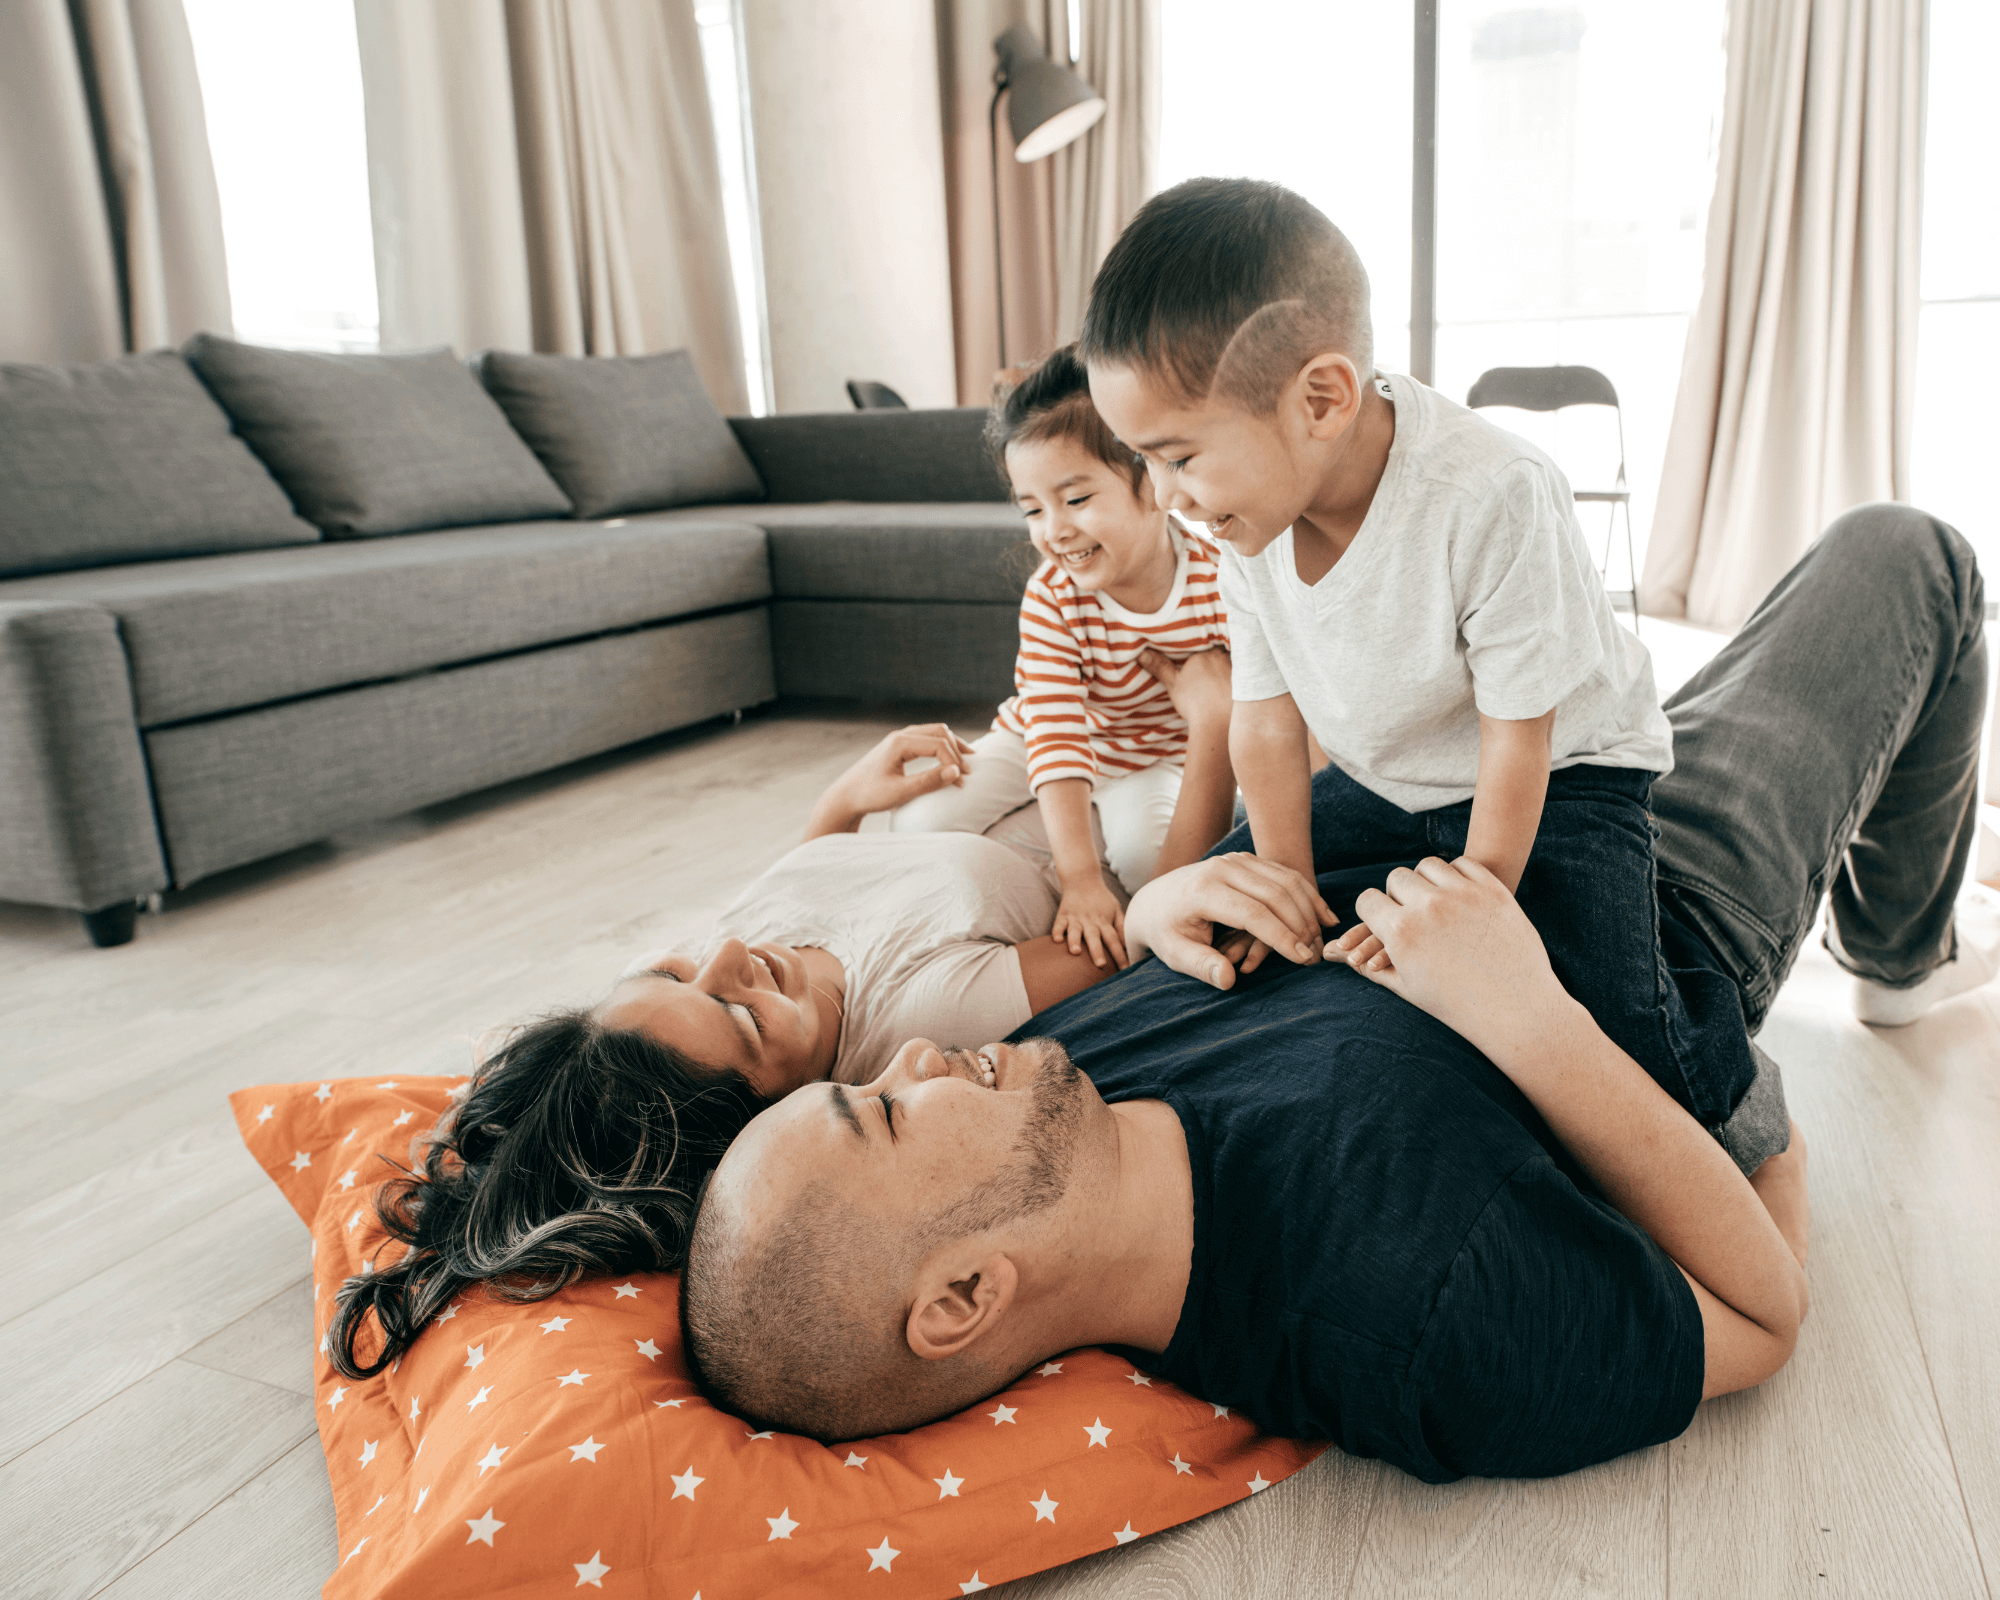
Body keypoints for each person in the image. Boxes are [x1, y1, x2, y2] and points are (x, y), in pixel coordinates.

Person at [677, 504, 1991, 1480]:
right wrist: (1536, 1021)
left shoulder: (1052, 1078)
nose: (902, 1066)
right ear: (964, 1297)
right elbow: (1761, 1313)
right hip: (1657, 896)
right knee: (1905, 555)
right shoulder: (1408, 1316)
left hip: (1457, 769)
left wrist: (1157, 907)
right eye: (883, 1119)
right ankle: (1893, 963)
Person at [322, 716, 1194, 1380]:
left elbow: (803, 885)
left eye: (673, 972)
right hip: (1113, 791)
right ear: (781, 1110)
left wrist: (845, 802)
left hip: (996, 773)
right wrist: (1218, 723)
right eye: (742, 1019)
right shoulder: (924, 1016)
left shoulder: (705, 976)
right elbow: (1122, 933)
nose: (732, 958)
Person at [1081, 179, 1698, 1054]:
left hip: (1563, 777)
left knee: (1615, 1033)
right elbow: (1263, 721)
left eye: (1177, 457)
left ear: (1322, 401)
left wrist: (1474, 902)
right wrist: (1284, 875)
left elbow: (1518, 741)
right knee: (1235, 908)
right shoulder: (1245, 518)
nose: (1163, 495)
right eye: (1144, 460)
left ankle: (1731, 1085)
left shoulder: (1489, 494)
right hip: (1387, 779)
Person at [892, 346, 1237, 971]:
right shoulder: (1052, 597)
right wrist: (1079, 877)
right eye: (1032, 509)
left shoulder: (1220, 583)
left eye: (1076, 499)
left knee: (1143, 866)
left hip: (1152, 755)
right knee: (919, 825)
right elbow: (1055, 734)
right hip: (1037, 739)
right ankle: (1063, 843)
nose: (1053, 530)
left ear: (1153, 480)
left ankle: (1088, 838)